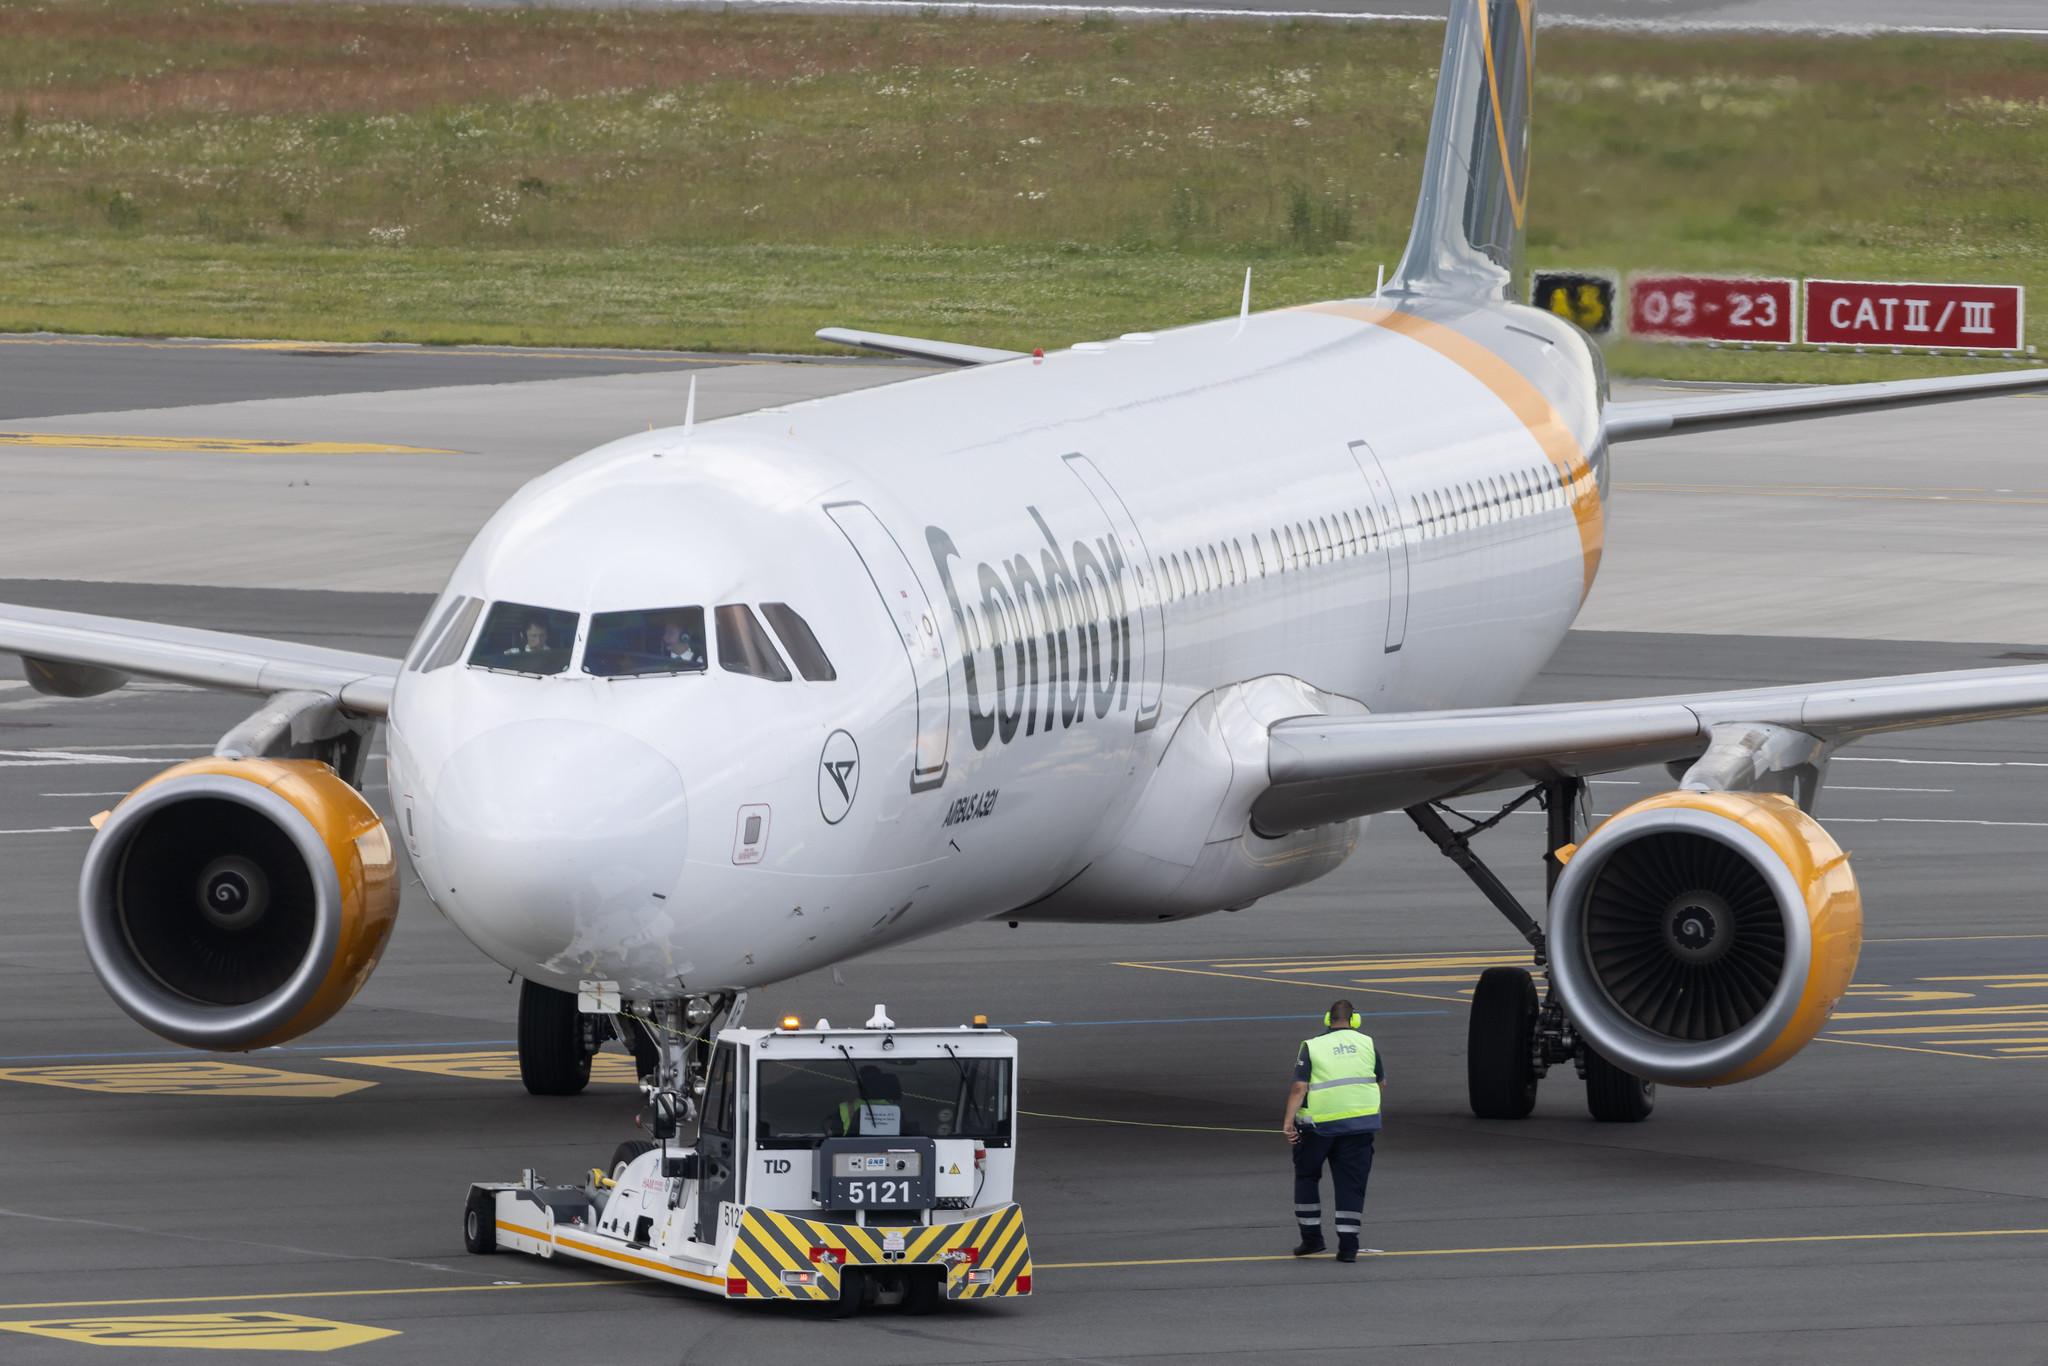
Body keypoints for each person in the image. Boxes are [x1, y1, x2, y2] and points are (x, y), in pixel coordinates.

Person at [1282, 999, 1383, 1263]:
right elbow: (1379, 1082)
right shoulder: (1368, 1043)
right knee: (1351, 1185)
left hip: (1317, 1127)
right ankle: (1348, 1248)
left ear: (1328, 1019)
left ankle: (1312, 1239)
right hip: (1359, 1126)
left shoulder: (1312, 1046)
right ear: (1355, 1020)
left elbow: (1299, 1088)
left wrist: (1288, 1121)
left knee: (1307, 1177)